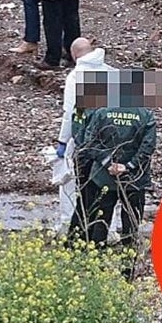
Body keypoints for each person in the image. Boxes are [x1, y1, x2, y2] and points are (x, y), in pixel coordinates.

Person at [71, 74, 158, 272]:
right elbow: (148, 147)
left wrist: (107, 162)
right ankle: (127, 271)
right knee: (130, 226)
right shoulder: (146, 116)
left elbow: (89, 143)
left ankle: (95, 267)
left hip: (103, 177)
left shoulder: (103, 112)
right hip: (134, 180)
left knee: (100, 222)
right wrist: (129, 166)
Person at [53, 38, 115, 234]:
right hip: (110, 137)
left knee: (70, 182)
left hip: (84, 139)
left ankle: (68, 225)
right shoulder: (111, 72)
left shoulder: (75, 77)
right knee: (107, 183)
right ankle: (108, 229)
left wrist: (63, 142)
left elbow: (72, 113)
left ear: (74, 55)